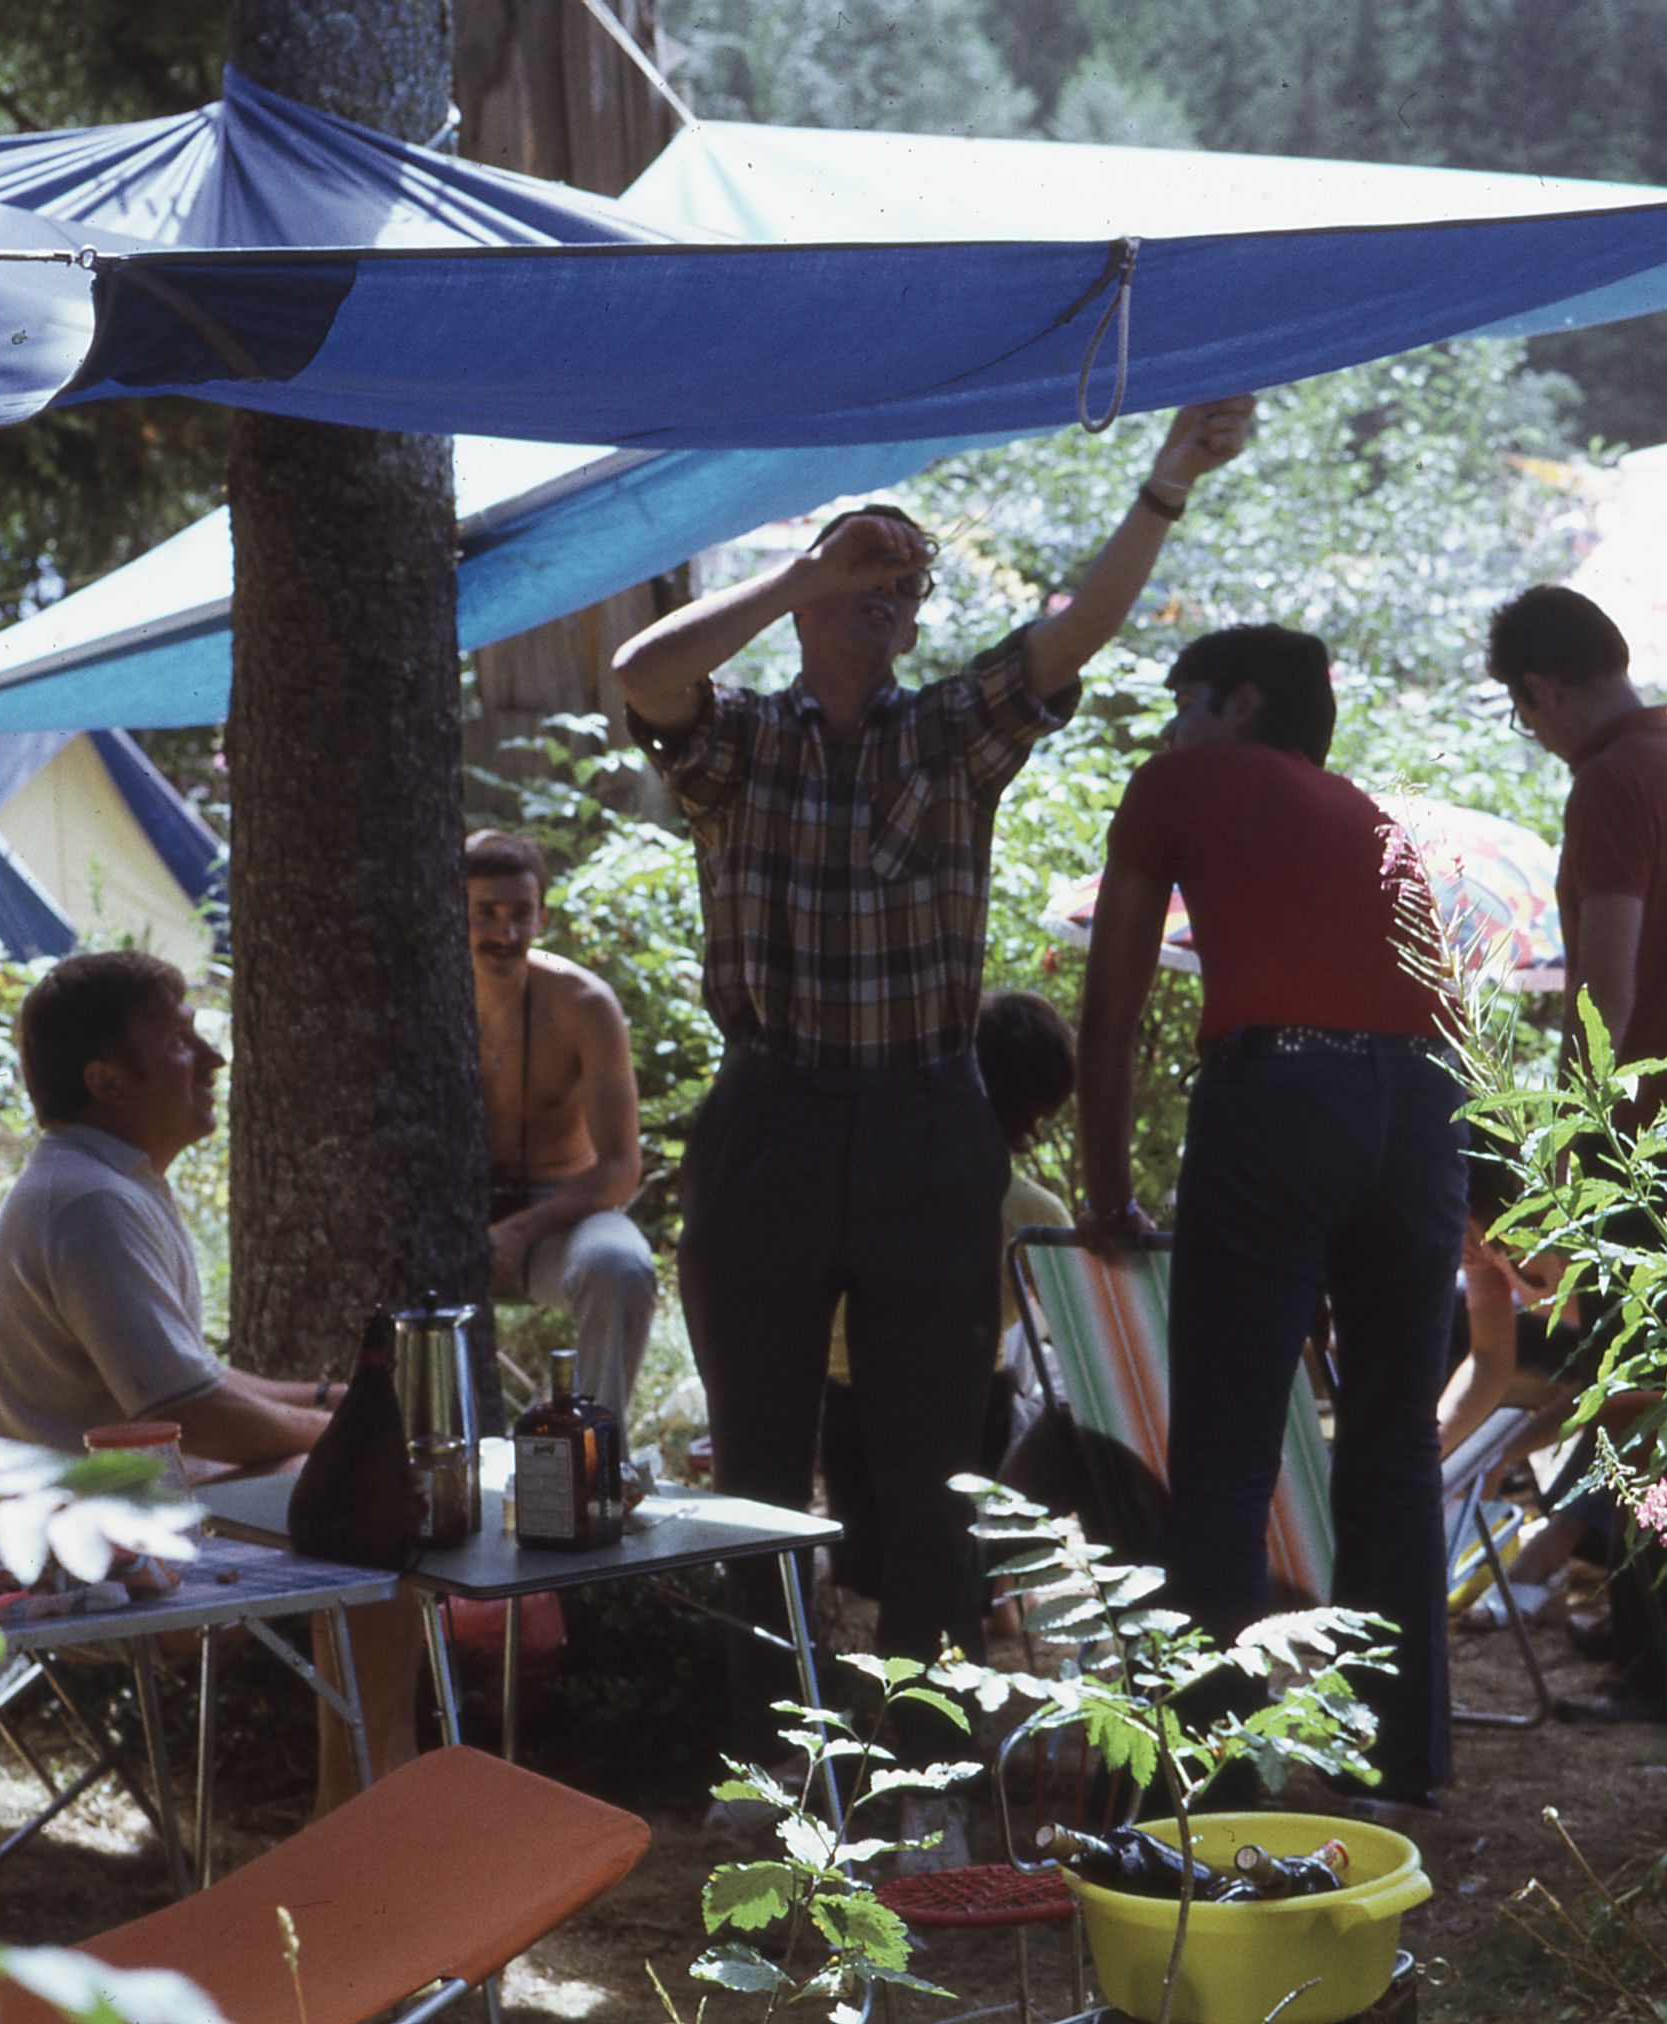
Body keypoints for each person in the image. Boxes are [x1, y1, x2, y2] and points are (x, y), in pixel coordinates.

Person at [609, 396, 1256, 1729]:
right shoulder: (741, 740)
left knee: (930, 1473)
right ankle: (771, 1757)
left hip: (924, 1121)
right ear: (807, 594)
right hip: (769, 1120)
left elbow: (1076, 633)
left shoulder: (952, 732)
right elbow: (640, 670)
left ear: (915, 623)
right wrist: (802, 569)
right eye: (860, 564)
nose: (880, 589)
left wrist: (1168, 478)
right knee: (758, 1475)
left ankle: (928, 1758)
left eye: (903, 581)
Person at [1076, 623, 1468, 1811]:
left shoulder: (1179, 782)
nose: (1169, 726)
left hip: (1281, 1093)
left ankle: (1211, 1775)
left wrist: (1106, 1190)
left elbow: (1111, 1007)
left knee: (1227, 1454)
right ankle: (1403, 1768)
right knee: (1395, 1440)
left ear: (1239, 701)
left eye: (1182, 699)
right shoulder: (1369, 811)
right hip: (1426, 1105)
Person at [0, 950, 419, 1813]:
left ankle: (379, 1796)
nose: (211, 1059)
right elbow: (189, 1412)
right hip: (58, 1558)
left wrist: (342, 1403)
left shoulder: (104, 1181)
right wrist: (359, 1444)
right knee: (370, 1506)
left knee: (357, 1484)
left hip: (97, 1518)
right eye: (179, 1042)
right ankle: (365, 1813)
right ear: (107, 1080)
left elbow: (189, 1380)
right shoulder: (90, 1203)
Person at [1488, 585, 1667, 1270]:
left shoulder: (1613, 781)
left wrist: (1560, 1146)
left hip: (1653, 1138)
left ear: (1540, 690)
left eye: (1523, 716)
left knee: (1632, 1339)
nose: (1538, 738)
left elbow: (1604, 994)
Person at [821, 988, 1075, 1597]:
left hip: (850, 1420)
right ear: (1040, 1109)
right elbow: (1084, 1344)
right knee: (1061, 1417)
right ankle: (994, 1587)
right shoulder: (1034, 1214)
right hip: (971, 1426)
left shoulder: (866, 1182)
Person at [463, 828, 657, 1413]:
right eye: (485, 914)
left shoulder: (583, 1005)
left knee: (621, 1268)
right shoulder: (422, 998)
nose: (505, 934)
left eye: (521, 914)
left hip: (559, 1214)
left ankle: (595, 1447)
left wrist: (519, 1231)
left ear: (543, 917)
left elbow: (621, 1168)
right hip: (451, 1216)